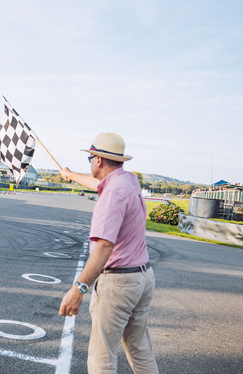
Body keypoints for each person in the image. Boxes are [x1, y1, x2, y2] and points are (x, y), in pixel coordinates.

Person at [58, 132, 158, 374]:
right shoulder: (128, 181)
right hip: (142, 278)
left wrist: (78, 289)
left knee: (101, 356)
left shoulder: (112, 194)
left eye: (90, 158)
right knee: (139, 348)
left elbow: (104, 246)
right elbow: (97, 183)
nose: (90, 162)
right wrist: (70, 175)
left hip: (119, 283)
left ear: (98, 161)